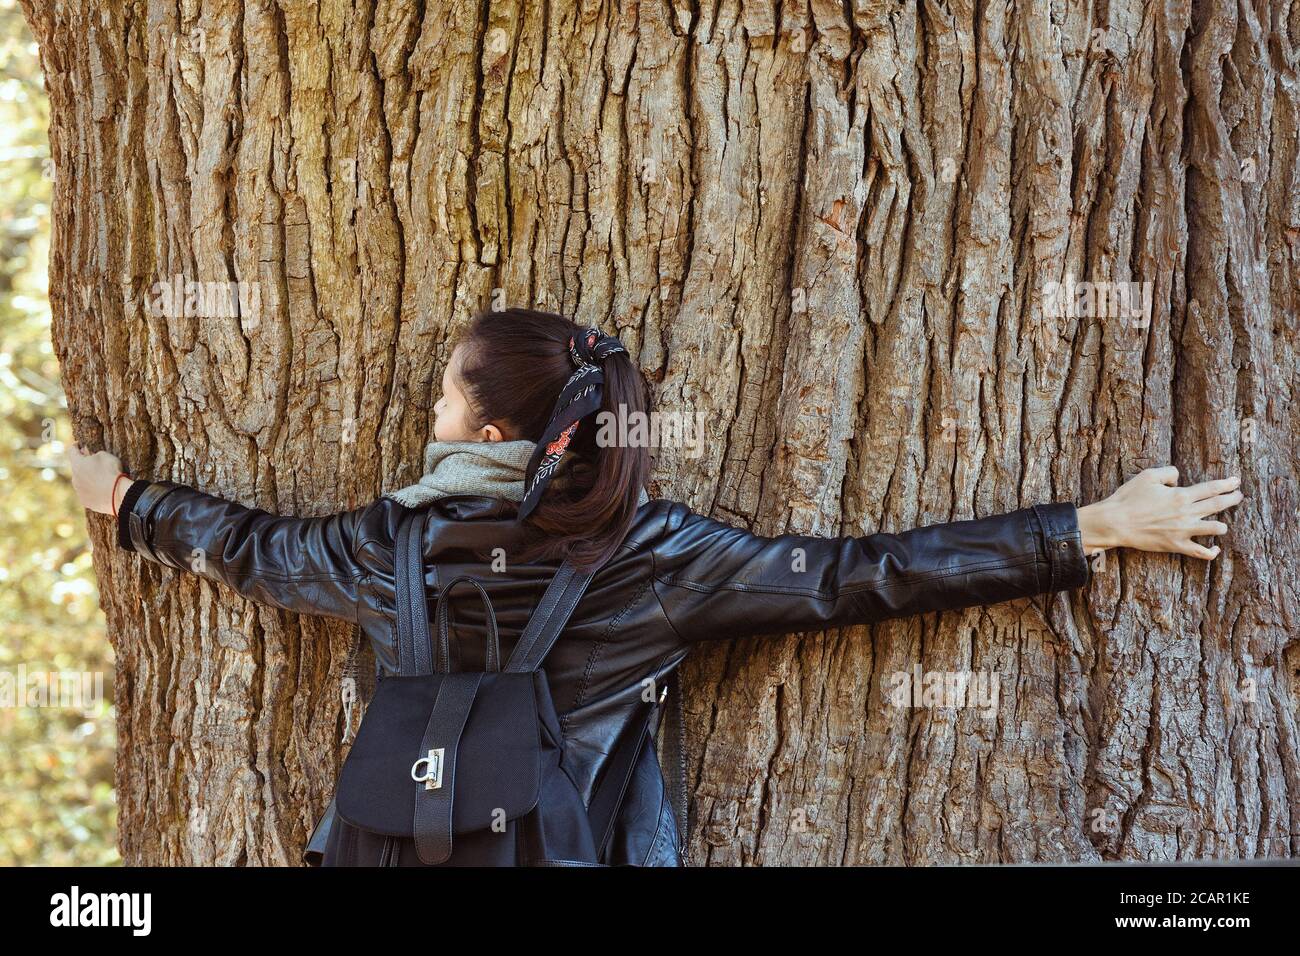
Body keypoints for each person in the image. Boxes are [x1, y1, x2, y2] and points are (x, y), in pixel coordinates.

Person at [68, 306, 1244, 865]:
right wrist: (1085, 526)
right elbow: (858, 577)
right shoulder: (657, 554)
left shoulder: (388, 543)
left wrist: (127, 504)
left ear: (482, 423)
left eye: (440, 396)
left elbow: (253, 548)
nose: (427, 414)